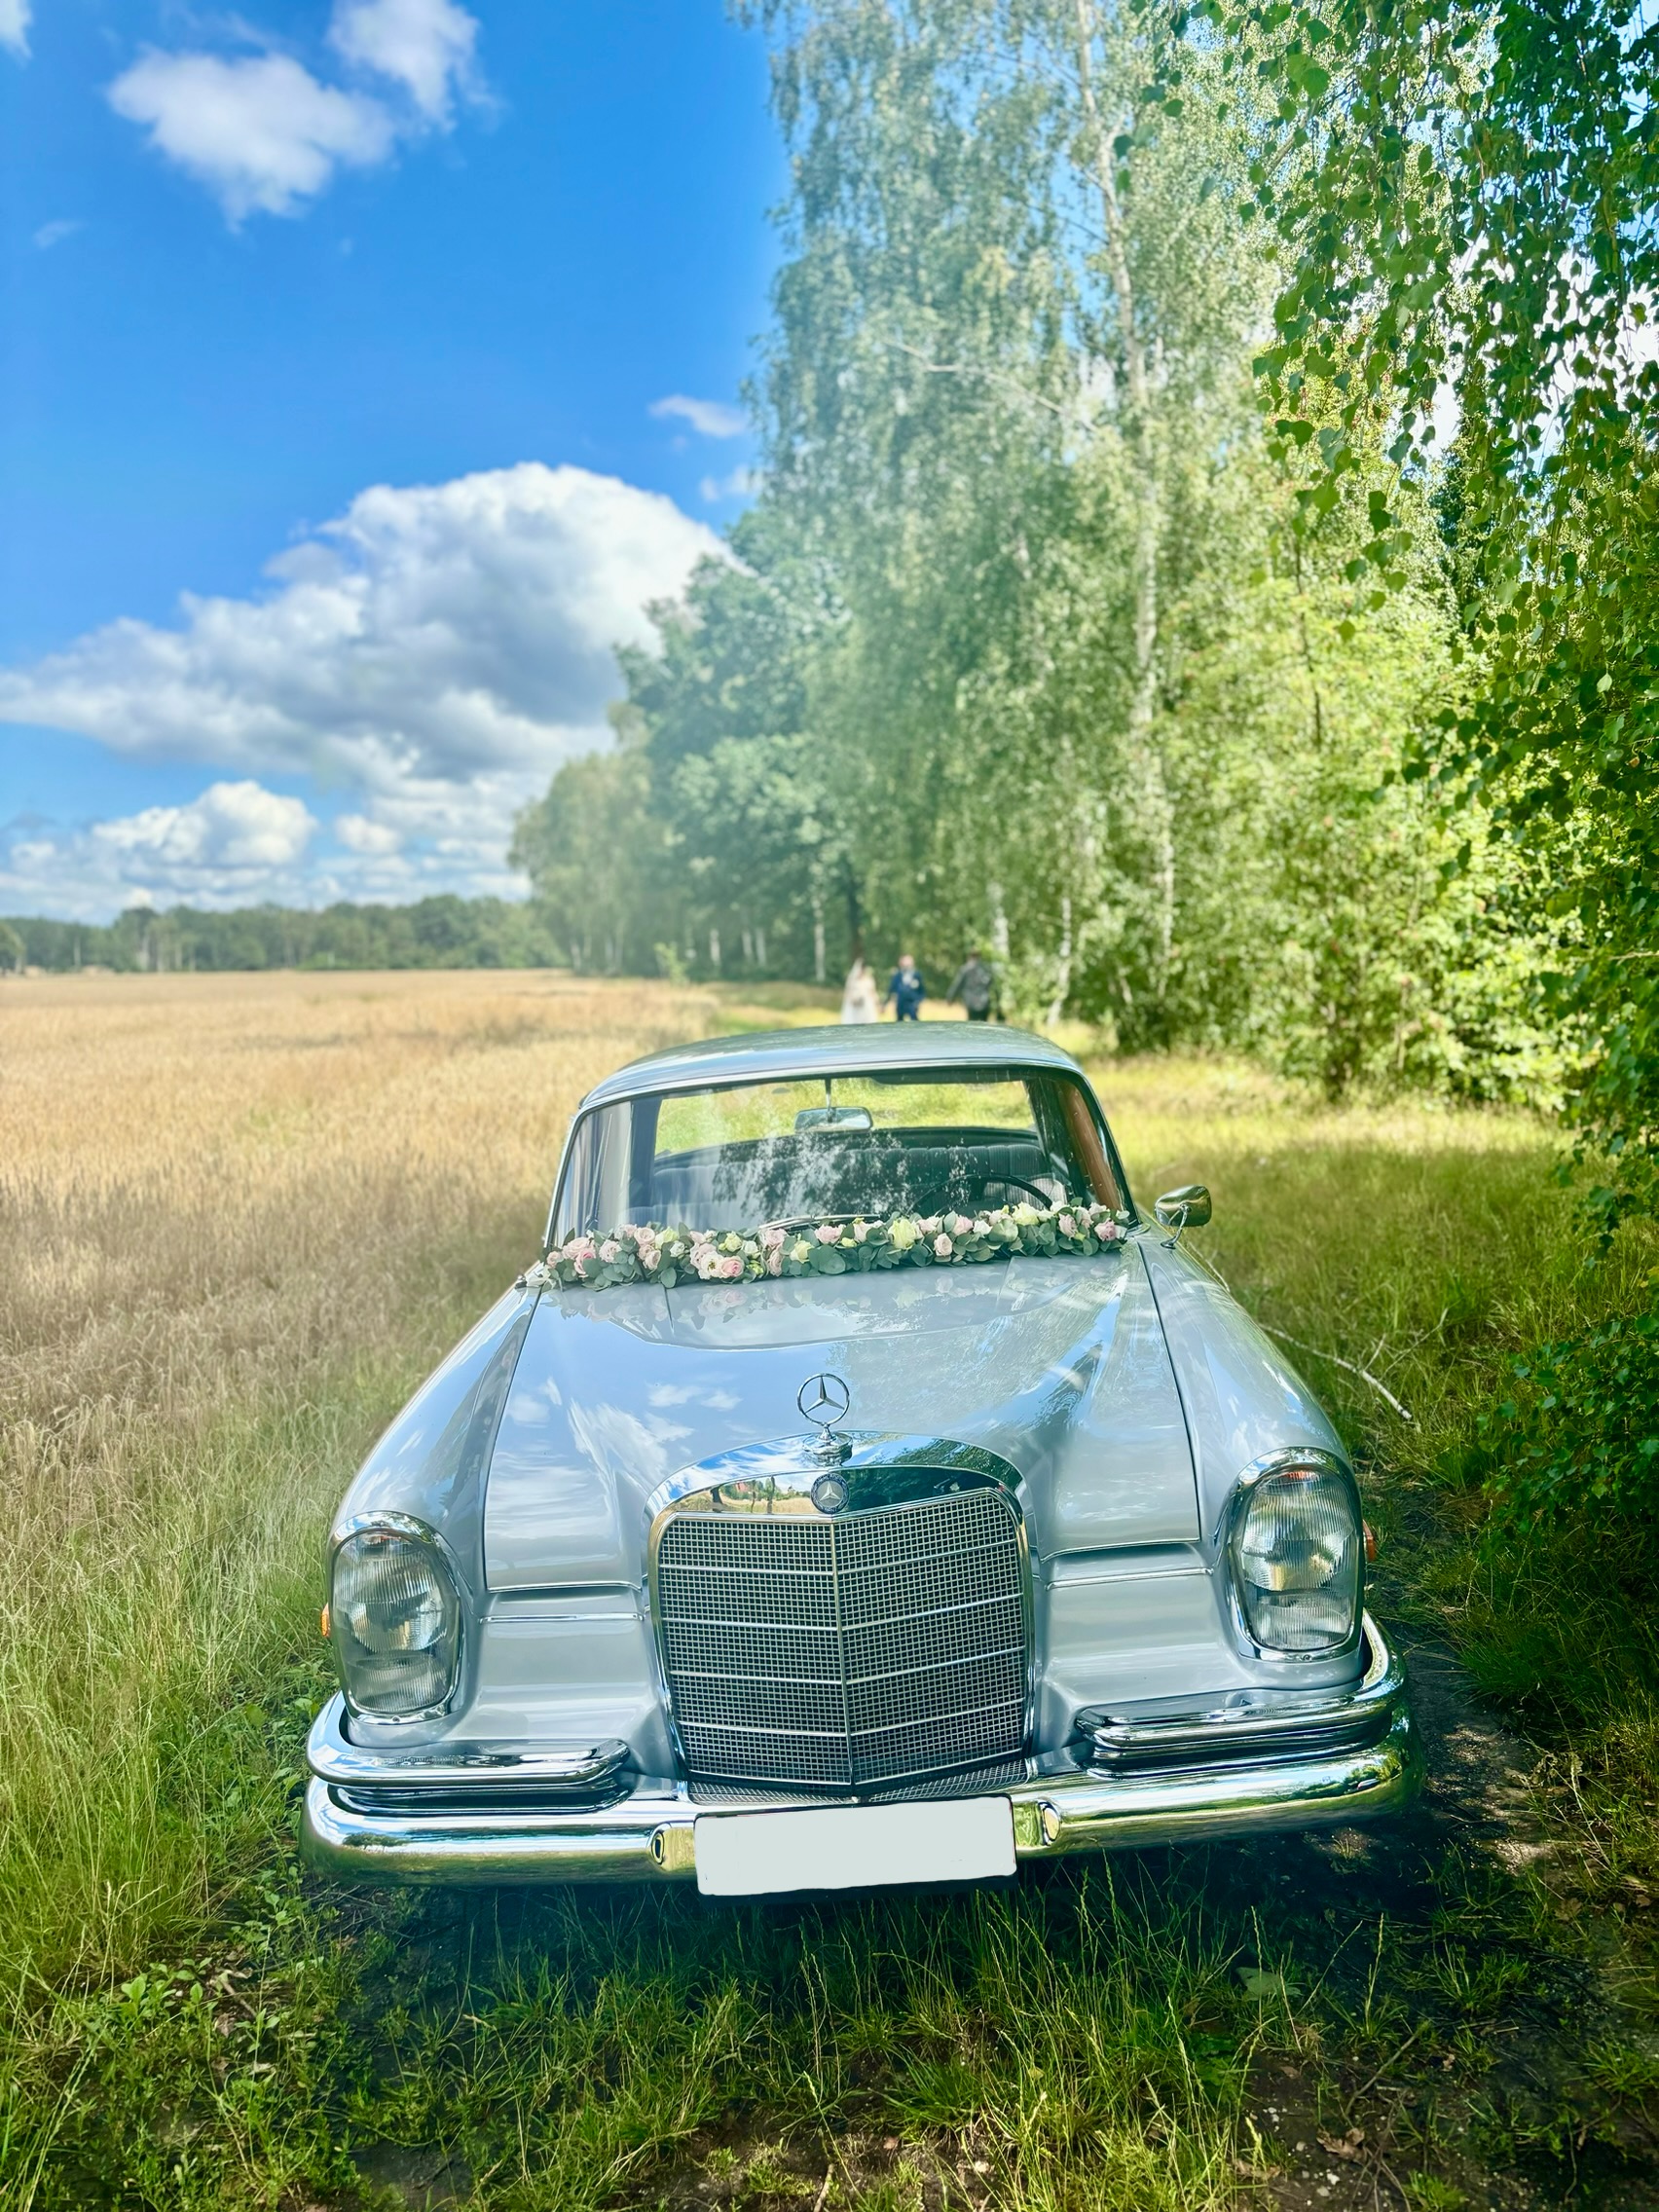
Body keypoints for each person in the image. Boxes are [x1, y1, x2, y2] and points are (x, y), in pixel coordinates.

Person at [948, 946, 996, 1022]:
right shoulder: (986, 968)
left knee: (972, 1025)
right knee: (984, 1026)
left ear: (969, 956)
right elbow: (992, 984)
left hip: (971, 1002)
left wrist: (950, 998)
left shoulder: (965, 969)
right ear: (979, 956)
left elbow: (957, 985)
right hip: (984, 1002)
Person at [885, 953, 926, 1021]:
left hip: (912, 1003)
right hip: (900, 1004)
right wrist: (885, 1004)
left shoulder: (917, 975)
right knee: (899, 1022)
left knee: (915, 1021)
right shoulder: (897, 975)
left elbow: (922, 991)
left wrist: (918, 1001)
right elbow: (891, 989)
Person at [840, 957, 880, 1023]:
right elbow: (848, 992)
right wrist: (853, 1000)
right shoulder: (852, 980)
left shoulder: (869, 979)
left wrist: (877, 1003)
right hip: (855, 1005)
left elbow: (873, 992)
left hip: (867, 1005)